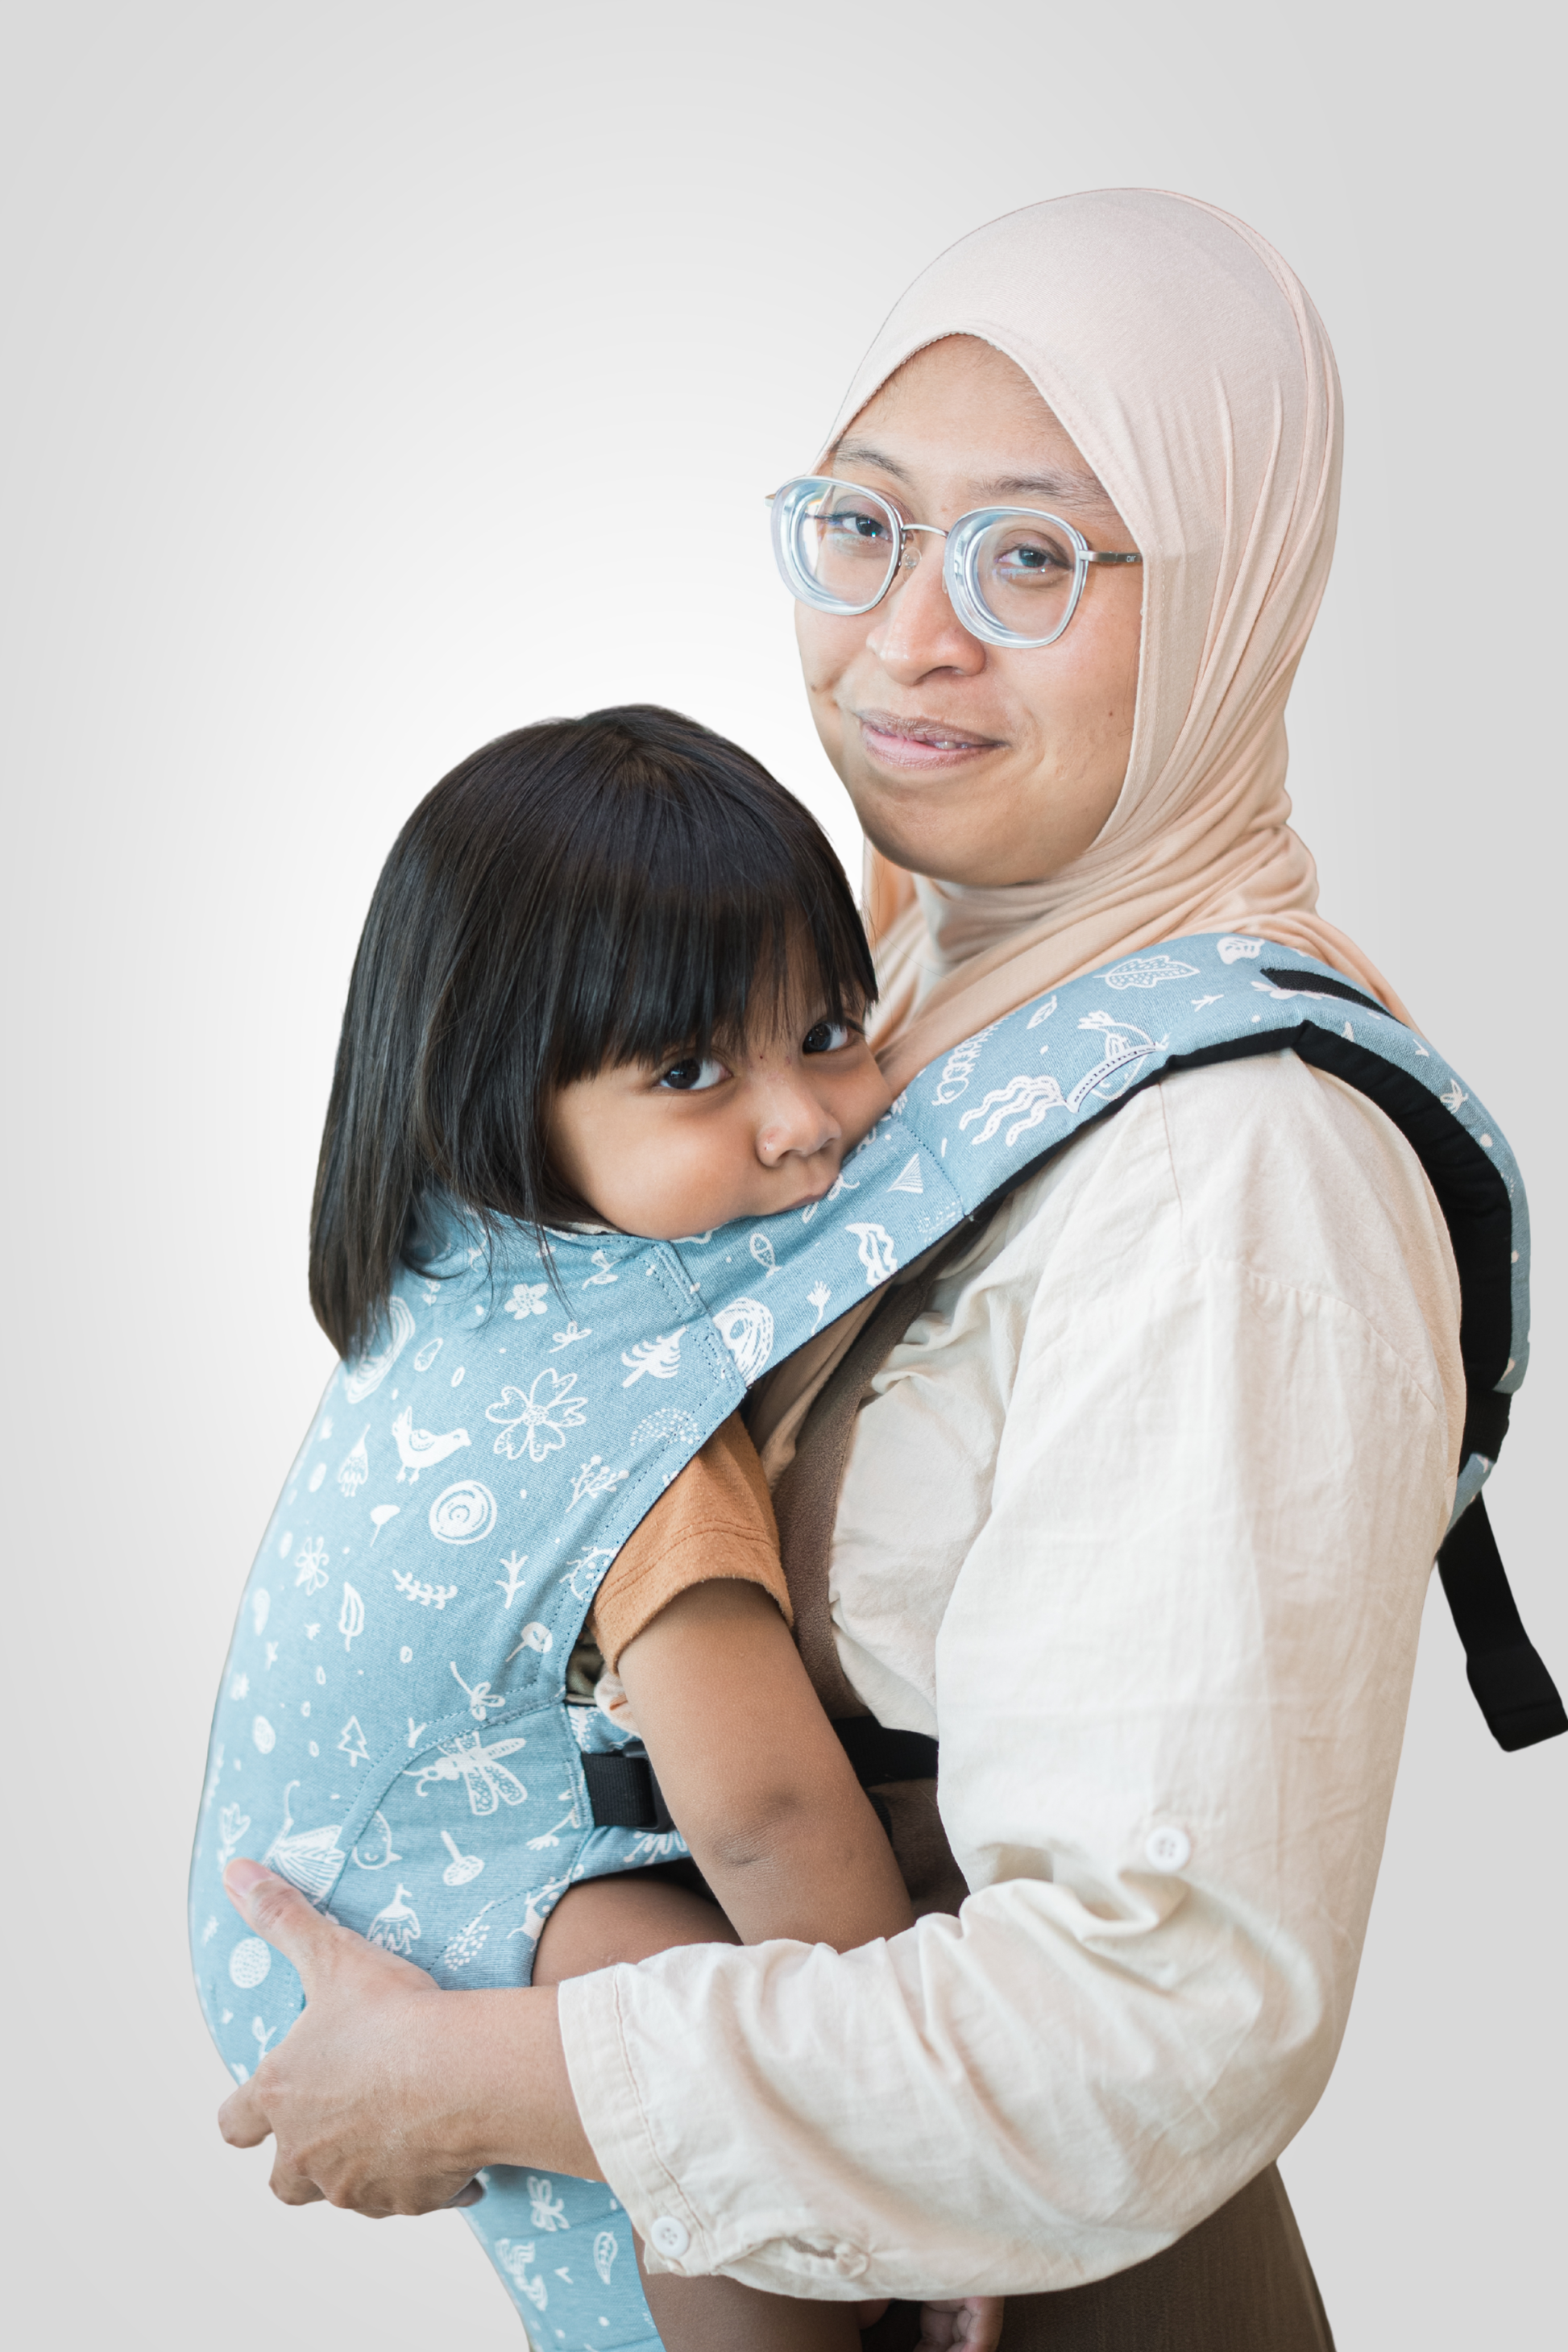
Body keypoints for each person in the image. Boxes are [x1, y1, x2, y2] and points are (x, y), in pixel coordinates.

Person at [219, 191, 1477, 2348]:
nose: (908, 638)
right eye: (864, 527)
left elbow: (1149, 2023)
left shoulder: (1235, 1164)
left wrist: (486, 2074)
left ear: (1233, 592)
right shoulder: (911, 1003)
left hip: (1059, 2299)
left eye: (1032, 557)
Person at [200, 704, 1003, 2350]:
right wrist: (922, 2176)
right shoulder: (630, 1415)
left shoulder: (469, 1263)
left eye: (830, 1029)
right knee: (716, 2084)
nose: (804, 1118)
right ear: (498, 1094)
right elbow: (770, 1818)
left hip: (299, 1874)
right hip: (394, 1909)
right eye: (693, 1070)